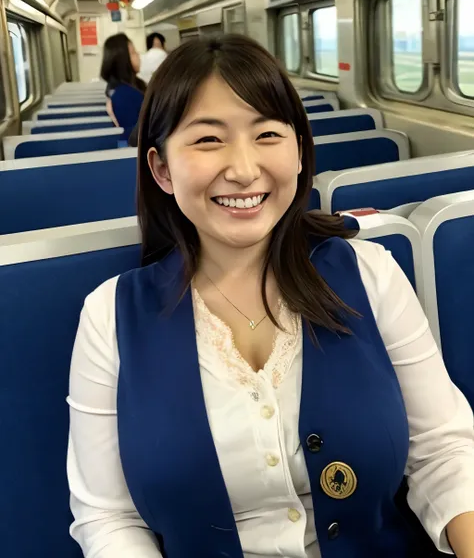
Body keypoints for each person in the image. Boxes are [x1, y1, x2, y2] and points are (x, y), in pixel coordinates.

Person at [68, 34, 474, 558]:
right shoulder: (111, 317)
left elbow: (442, 449)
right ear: (162, 169)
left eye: (267, 134)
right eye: (208, 140)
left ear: (299, 152)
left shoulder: (370, 275)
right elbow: (108, 518)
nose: (243, 168)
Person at [100, 33, 146, 142]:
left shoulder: (133, 86)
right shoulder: (124, 95)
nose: (138, 55)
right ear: (122, 60)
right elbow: (134, 136)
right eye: (133, 53)